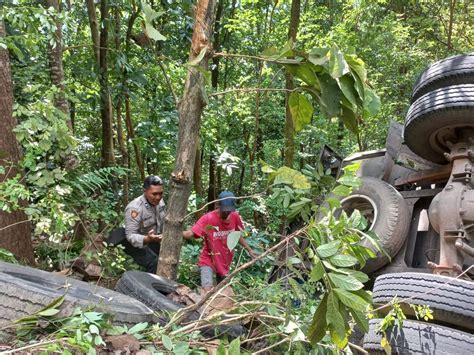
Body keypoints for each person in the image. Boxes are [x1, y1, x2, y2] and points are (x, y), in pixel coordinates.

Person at [183, 191, 257, 292]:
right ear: (218, 206)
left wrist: (249, 249)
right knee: (207, 290)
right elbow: (191, 233)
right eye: (224, 210)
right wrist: (173, 232)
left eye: (229, 210)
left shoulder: (235, 216)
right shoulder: (208, 218)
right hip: (208, 259)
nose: (226, 213)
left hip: (224, 261)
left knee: (223, 293)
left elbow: (237, 235)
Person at [123, 175, 165, 273]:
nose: (158, 197)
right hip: (137, 243)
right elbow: (130, 236)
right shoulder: (135, 208)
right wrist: (148, 238)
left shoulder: (160, 202)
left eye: (160, 193)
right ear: (145, 191)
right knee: (154, 262)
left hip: (154, 240)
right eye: (154, 194)